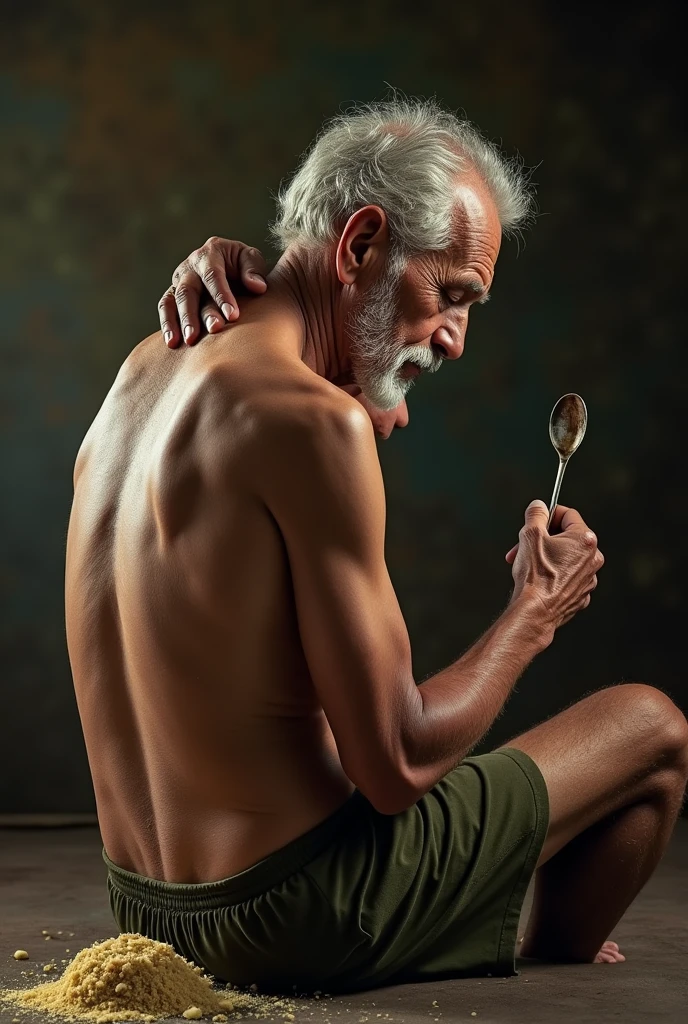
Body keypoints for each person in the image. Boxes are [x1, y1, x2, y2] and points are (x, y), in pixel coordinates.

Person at [65, 98, 688, 994]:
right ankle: (552, 948)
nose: (457, 340)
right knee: (652, 726)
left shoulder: (143, 369)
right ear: (359, 245)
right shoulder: (315, 429)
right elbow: (394, 766)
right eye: (451, 294)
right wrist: (533, 613)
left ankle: (471, 908)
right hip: (292, 918)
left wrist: (350, 385)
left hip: (148, 917)